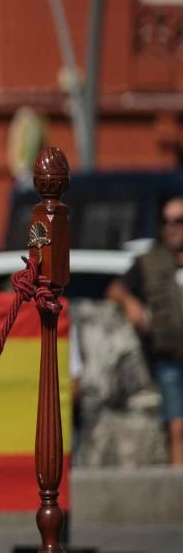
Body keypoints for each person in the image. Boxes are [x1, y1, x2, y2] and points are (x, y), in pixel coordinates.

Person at [106, 194, 183, 466]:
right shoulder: (151, 261)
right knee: (177, 427)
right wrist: (130, 302)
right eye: (167, 221)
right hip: (169, 358)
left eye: (179, 220)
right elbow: (115, 289)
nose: (173, 227)